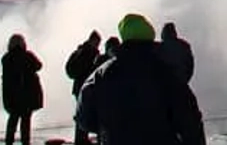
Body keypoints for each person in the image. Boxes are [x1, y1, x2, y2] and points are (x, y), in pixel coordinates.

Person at [77, 13, 204, 145]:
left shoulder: (101, 75)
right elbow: (190, 120)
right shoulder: (166, 73)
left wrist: (108, 129)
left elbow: (84, 118)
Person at [1, 34, 43, 145]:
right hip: (27, 97)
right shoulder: (28, 56)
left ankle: (8, 142)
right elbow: (39, 65)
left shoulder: (6, 58)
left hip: (12, 97)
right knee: (25, 123)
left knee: (12, 121)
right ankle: (26, 143)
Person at [66, 32, 103, 145]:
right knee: (89, 113)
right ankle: (83, 140)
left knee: (82, 113)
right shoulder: (90, 53)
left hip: (79, 88)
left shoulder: (79, 52)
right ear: (93, 41)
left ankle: (81, 139)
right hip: (89, 88)